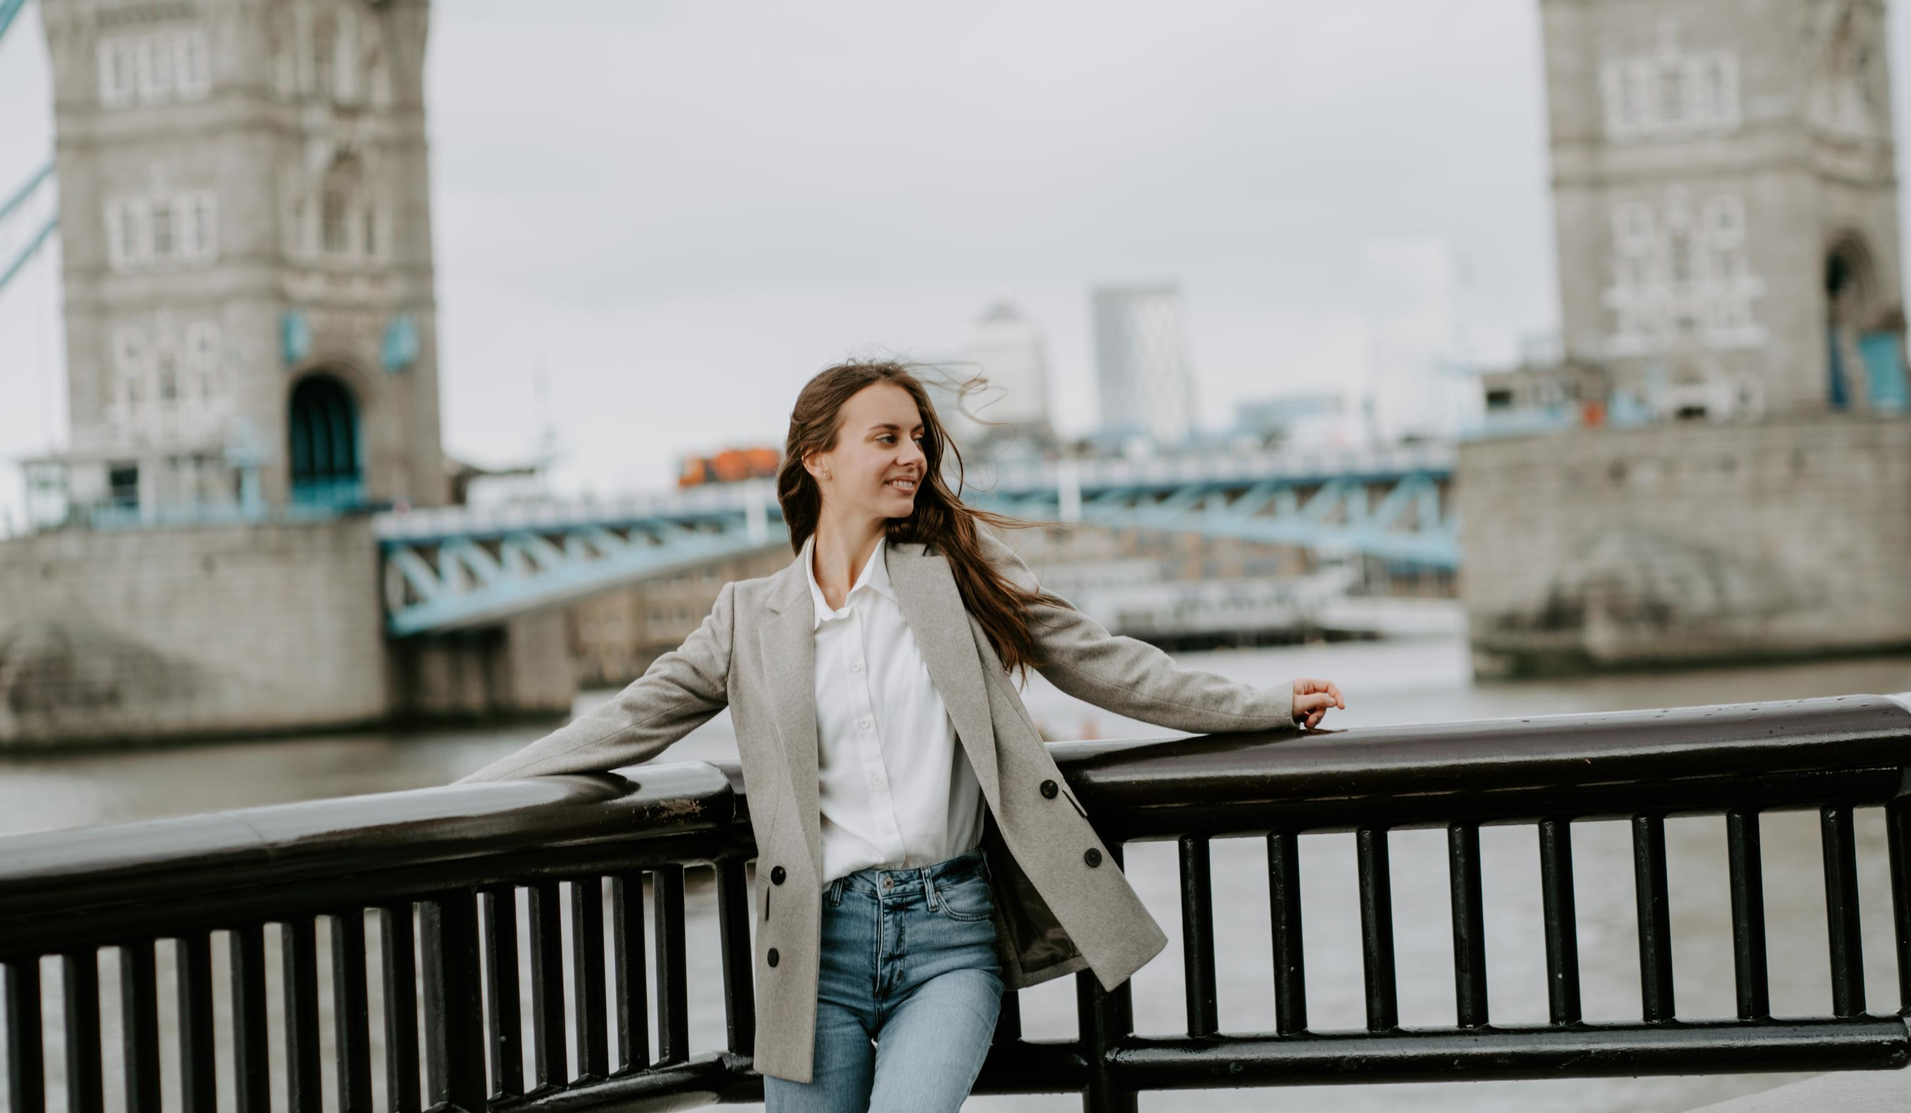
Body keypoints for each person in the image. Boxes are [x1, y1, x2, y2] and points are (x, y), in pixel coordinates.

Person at [459, 360, 1344, 1113]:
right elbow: (625, 722)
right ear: (818, 459)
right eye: (886, 437)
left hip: (951, 937)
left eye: (919, 437)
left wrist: (1258, 706)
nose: (914, 455)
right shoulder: (747, 619)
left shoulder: (952, 580)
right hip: (814, 950)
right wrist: (471, 800)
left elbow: (1102, 662)